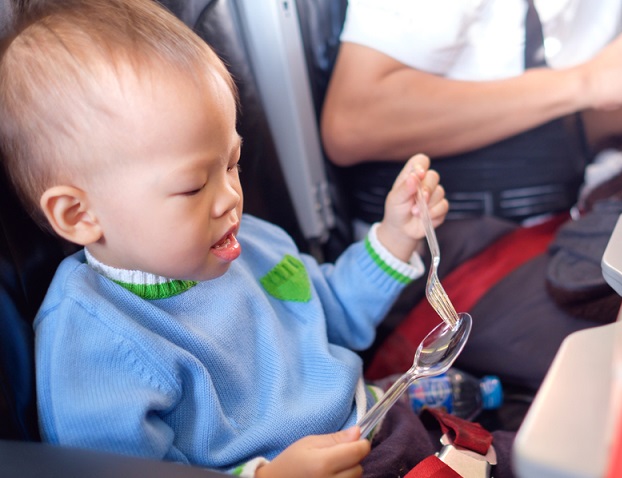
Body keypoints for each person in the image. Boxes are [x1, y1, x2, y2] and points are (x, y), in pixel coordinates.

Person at [0, 1, 520, 477]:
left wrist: (395, 237)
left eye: (233, 163)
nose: (229, 197)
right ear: (78, 213)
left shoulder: (249, 242)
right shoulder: (95, 345)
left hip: (382, 421)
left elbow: (332, 312)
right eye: (193, 185)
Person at [318, 0, 622, 397]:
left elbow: (576, 124)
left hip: (568, 226)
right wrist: (584, 80)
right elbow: (352, 121)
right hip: (455, 269)